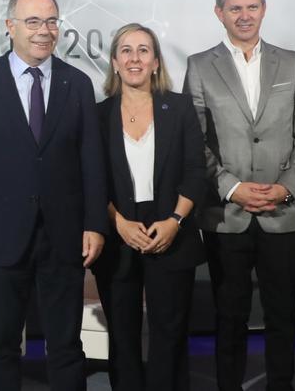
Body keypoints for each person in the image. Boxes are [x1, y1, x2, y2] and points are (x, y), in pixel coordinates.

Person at [0, 0, 108, 391]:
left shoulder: (78, 84)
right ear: (10, 26)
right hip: (2, 233)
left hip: (65, 234)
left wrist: (95, 223)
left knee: (67, 344)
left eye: (52, 21)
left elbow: (91, 161)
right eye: (33, 21)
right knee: (3, 343)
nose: (44, 30)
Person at [183, 0, 295, 391]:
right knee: (230, 315)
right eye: (235, 8)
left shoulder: (291, 61)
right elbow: (195, 140)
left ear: (264, 7)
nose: (245, 16)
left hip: (282, 210)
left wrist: (287, 187)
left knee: (282, 314)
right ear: (219, 12)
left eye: (252, 6)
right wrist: (231, 187)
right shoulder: (199, 65)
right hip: (228, 214)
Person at [94, 24, 208, 391]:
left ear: (156, 62)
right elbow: (91, 179)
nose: (134, 58)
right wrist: (118, 223)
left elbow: (195, 170)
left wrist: (176, 220)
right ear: (114, 62)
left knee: (169, 332)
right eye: (126, 50)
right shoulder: (97, 115)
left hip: (171, 227)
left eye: (144, 50)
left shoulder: (180, 108)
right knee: (123, 335)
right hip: (118, 230)